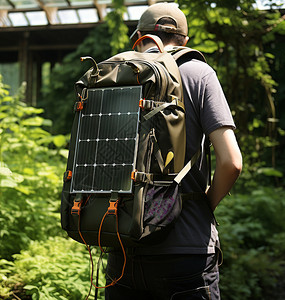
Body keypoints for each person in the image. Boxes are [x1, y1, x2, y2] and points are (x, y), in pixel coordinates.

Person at [105, 3, 242, 300]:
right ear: (185, 41)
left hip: (123, 247)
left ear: (139, 38)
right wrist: (204, 204)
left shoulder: (115, 78)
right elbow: (232, 162)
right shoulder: (198, 73)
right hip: (187, 249)